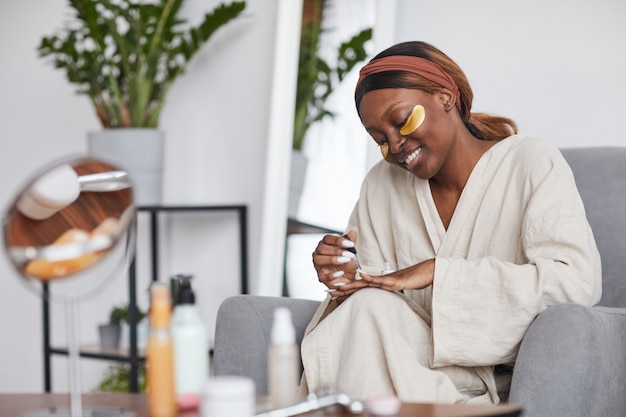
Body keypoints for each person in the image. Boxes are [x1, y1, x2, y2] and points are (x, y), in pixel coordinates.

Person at [299, 41, 602, 405]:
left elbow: (575, 284)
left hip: (486, 381)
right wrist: (345, 276)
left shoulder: (530, 163)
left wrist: (437, 273)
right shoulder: (381, 184)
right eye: (380, 140)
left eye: (402, 121)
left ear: (445, 97)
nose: (395, 146)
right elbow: (370, 310)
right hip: (398, 368)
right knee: (365, 309)